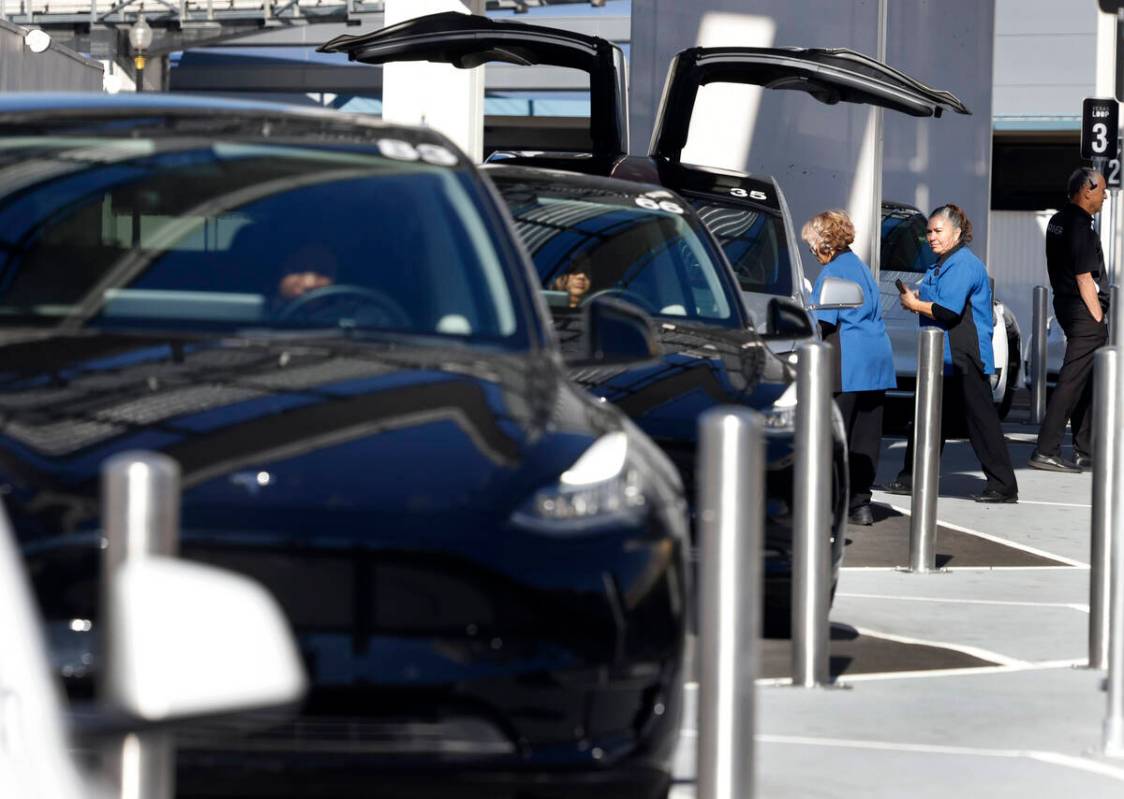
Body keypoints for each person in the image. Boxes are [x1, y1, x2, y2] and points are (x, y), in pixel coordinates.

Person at [886, 204, 1019, 503]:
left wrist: (913, 304)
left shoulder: (962, 264)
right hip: (942, 355)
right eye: (929, 232)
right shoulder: (941, 264)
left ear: (957, 233)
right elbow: (940, 298)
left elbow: (947, 310)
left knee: (980, 421)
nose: (931, 237)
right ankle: (912, 477)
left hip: (963, 353)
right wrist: (919, 297)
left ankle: (1004, 485)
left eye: (938, 231)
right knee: (927, 418)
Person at [802, 210, 896, 526]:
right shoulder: (859, 266)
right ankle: (861, 505)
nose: (812, 252)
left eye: (812, 245)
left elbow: (822, 322)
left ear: (824, 243)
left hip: (847, 361)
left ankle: (830, 505)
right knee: (866, 438)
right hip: (877, 360)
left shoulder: (833, 272)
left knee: (834, 436)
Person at [1029, 167, 1109, 473]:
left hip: (1064, 304)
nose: (1104, 196)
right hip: (1083, 311)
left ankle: (1084, 449)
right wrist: (1099, 317)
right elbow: (1084, 276)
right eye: (1101, 190)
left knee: (1085, 378)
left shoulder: (1057, 221)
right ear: (1086, 190)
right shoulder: (1080, 227)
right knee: (1072, 380)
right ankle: (1046, 449)